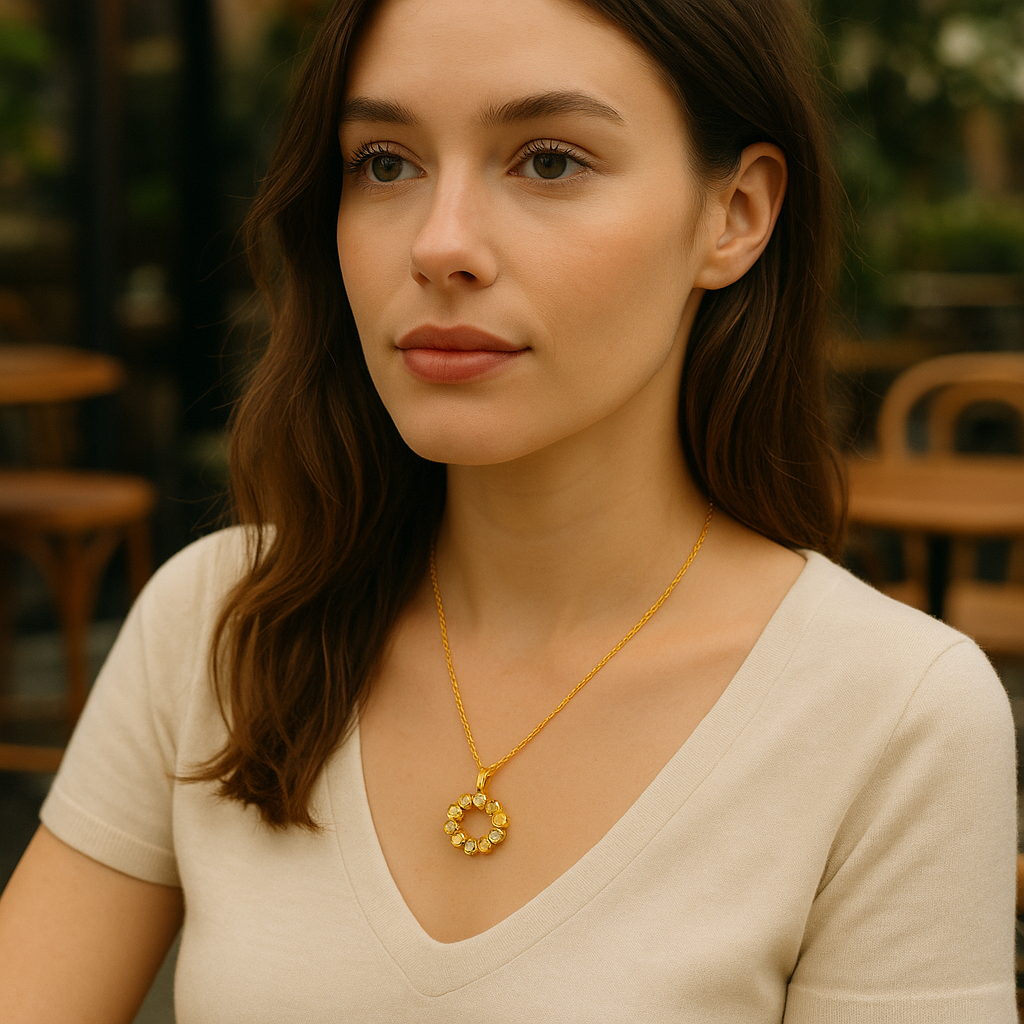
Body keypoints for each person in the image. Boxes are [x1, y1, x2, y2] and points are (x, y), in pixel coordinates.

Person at [0, 0, 1017, 1019]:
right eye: (385, 163)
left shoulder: (892, 717)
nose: (440, 246)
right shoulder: (221, 621)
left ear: (735, 214)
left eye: (548, 160)